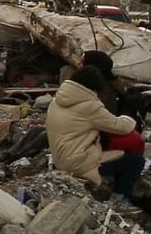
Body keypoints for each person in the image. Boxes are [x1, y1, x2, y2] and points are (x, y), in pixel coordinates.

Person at [46, 65, 144, 207]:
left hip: (59, 159)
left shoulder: (56, 101)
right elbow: (122, 127)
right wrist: (128, 117)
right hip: (78, 164)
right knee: (136, 161)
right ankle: (118, 199)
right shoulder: (90, 106)